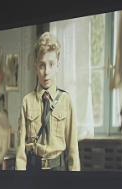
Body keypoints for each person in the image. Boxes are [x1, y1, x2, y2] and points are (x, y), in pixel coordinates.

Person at [16, 31, 80, 171]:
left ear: (57, 65)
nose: (46, 72)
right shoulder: (27, 101)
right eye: (42, 65)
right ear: (35, 67)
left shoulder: (66, 101)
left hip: (58, 170)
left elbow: (73, 150)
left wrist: (75, 183)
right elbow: (21, 151)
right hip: (33, 169)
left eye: (51, 65)